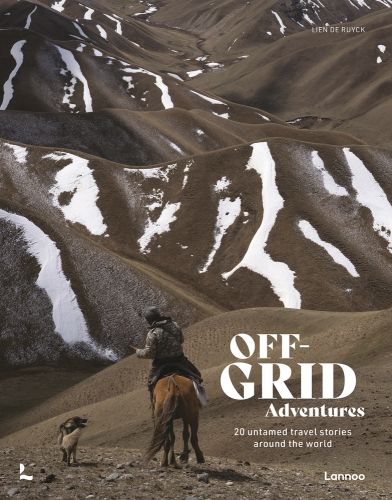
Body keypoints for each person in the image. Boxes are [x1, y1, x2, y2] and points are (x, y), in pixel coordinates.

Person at [136, 307, 206, 404]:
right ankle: (201, 399)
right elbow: (181, 340)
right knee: (197, 375)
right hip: (179, 360)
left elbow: (150, 353)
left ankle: (154, 404)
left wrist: (139, 352)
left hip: (161, 364)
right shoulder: (174, 325)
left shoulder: (152, 333)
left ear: (149, 320)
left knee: (150, 383)